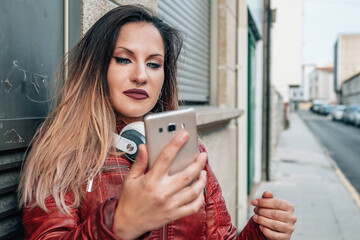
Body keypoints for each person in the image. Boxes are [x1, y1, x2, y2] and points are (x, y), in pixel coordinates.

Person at [18, 4, 296, 240]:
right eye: (124, 59)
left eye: (154, 64)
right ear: (97, 69)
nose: (141, 75)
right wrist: (119, 223)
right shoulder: (62, 152)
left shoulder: (188, 152)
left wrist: (262, 231)